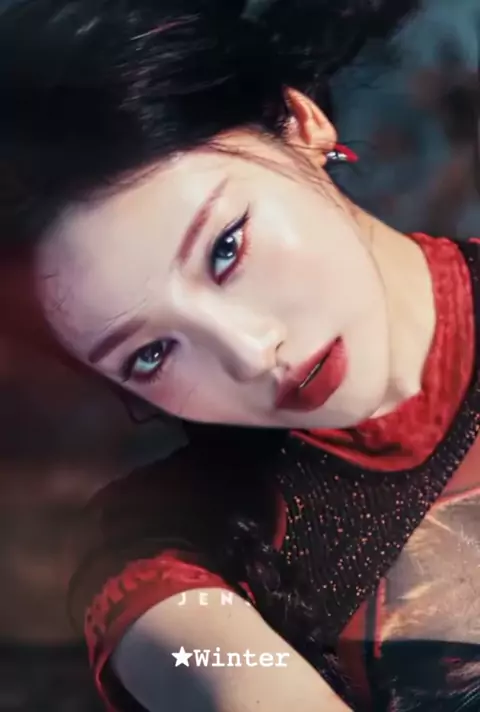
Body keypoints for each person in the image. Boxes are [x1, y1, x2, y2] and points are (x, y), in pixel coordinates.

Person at [1, 0, 480, 710]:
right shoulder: (174, 561)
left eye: (226, 249)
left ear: (298, 122)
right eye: (150, 354)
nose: (253, 354)